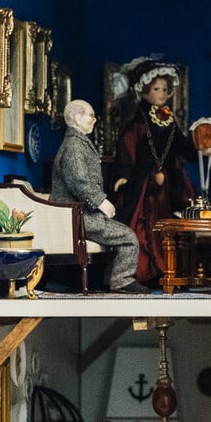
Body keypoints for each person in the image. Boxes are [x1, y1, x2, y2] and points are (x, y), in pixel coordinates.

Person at [109, 62, 194, 284]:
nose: (162, 93)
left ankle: (165, 270)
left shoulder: (169, 120)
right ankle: (143, 271)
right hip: (144, 182)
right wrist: (123, 174)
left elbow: (181, 145)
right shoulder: (138, 121)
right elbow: (127, 146)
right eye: (156, 89)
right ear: (145, 90)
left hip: (167, 183)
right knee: (142, 223)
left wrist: (200, 147)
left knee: (166, 224)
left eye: (165, 89)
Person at [50, 99, 142, 292]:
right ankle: (122, 280)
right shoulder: (74, 146)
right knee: (128, 237)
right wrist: (101, 203)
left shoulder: (77, 143)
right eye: (91, 115)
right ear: (77, 118)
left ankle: (110, 281)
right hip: (78, 217)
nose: (94, 119)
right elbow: (79, 181)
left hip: (80, 215)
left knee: (124, 233)